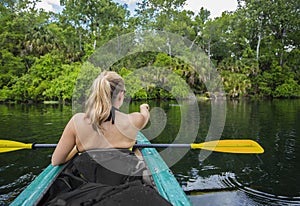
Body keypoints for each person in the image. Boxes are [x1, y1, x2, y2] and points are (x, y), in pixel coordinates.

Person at [51, 71, 150, 166]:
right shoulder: (134, 120)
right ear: (120, 94)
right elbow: (145, 116)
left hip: (88, 182)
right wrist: (143, 107)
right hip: (123, 181)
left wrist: (77, 148)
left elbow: (56, 161)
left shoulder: (76, 121)